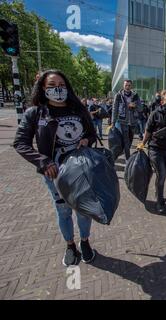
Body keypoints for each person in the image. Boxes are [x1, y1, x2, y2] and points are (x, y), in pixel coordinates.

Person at [13, 70, 98, 267]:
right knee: (64, 211)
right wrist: (43, 162)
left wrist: (87, 139)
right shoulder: (34, 113)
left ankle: (84, 242)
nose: (57, 89)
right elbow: (20, 143)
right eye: (52, 85)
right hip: (55, 174)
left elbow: (93, 135)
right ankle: (70, 246)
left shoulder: (79, 110)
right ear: (43, 88)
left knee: (85, 210)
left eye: (61, 84)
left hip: (82, 172)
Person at [137, 90, 166, 214]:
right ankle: (159, 202)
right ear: (162, 102)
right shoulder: (155, 114)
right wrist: (143, 143)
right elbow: (148, 130)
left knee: (163, 175)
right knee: (161, 174)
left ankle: (158, 192)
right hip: (155, 148)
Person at [112, 80, 141, 160]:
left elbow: (140, 108)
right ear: (123, 86)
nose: (127, 87)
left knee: (130, 141)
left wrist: (134, 106)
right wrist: (113, 122)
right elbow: (115, 109)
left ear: (131, 86)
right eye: (126, 85)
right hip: (122, 121)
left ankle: (124, 152)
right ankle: (128, 159)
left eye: (129, 85)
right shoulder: (118, 95)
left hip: (133, 122)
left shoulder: (135, 95)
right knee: (126, 141)